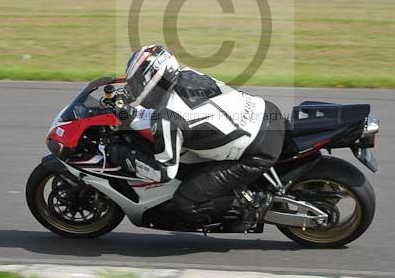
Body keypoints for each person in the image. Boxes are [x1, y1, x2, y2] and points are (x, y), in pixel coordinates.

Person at [107, 44, 285, 232]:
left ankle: (251, 207)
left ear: (152, 80)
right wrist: (124, 110)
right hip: (266, 112)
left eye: (135, 82)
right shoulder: (186, 74)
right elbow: (157, 115)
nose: (132, 87)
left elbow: (164, 173)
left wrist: (123, 155)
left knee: (185, 201)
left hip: (256, 152)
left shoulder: (168, 118)